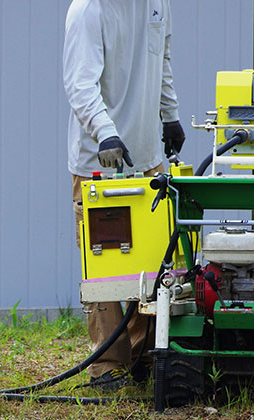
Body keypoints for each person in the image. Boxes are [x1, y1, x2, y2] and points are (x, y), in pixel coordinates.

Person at [64, 0, 185, 390]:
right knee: (106, 267)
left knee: (154, 265)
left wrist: (171, 115)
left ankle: (145, 355)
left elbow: (161, 61)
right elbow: (79, 83)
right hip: (100, 161)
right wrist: (105, 131)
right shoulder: (89, 10)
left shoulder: (157, 3)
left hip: (147, 157)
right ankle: (108, 367)